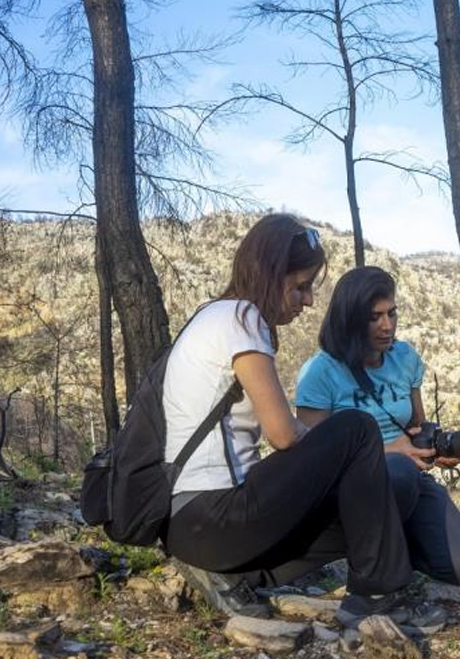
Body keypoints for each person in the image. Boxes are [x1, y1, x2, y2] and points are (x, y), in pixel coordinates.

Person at [163, 214, 443, 631]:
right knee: (356, 428)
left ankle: (237, 575)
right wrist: (353, 453)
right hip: (212, 516)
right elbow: (282, 434)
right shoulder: (242, 319)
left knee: (364, 502)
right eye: (301, 286)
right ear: (269, 275)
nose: (309, 300)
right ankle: (376, 594)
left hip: (197, 526)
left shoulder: (213, 316)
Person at [294, 266, 460, 586]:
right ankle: (371, 569)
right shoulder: (320, 373)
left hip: (406, 481)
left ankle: (397, 542)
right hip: (352, 487)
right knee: (397, 471)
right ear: (351, 319)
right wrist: (388, 451)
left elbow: (416, 425)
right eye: (375, 317)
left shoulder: (404, 357)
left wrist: (435, 448)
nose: (387, 325)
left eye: (392, 313)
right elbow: (310, 459)